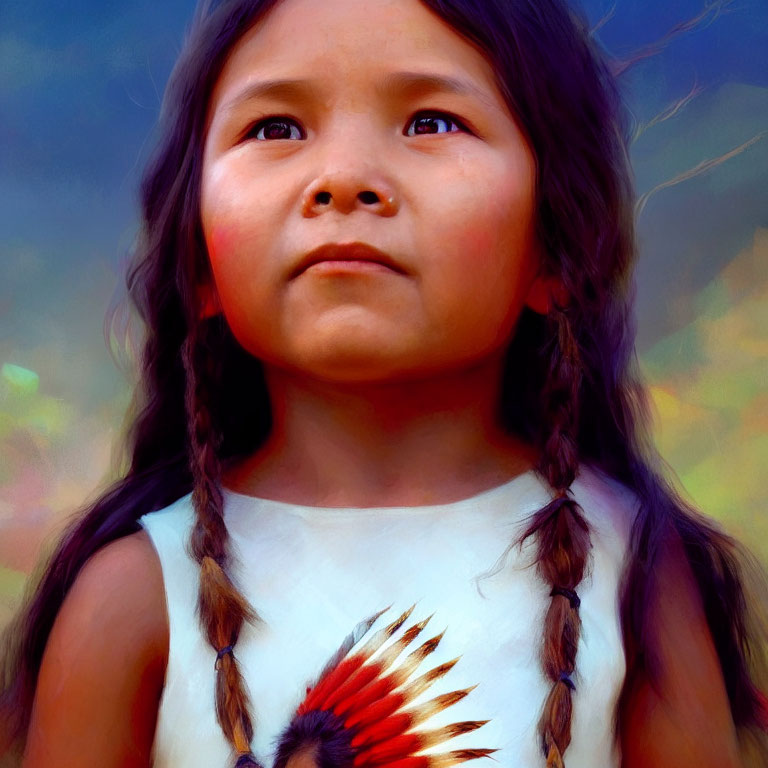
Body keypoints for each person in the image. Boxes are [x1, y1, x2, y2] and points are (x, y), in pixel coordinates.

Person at [1, 0, 767, 766]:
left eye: (431, 122)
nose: (343, 180)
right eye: (276, 128)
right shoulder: (135, 597)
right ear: (198, 263)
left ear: (556, 247)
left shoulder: (630, 573)